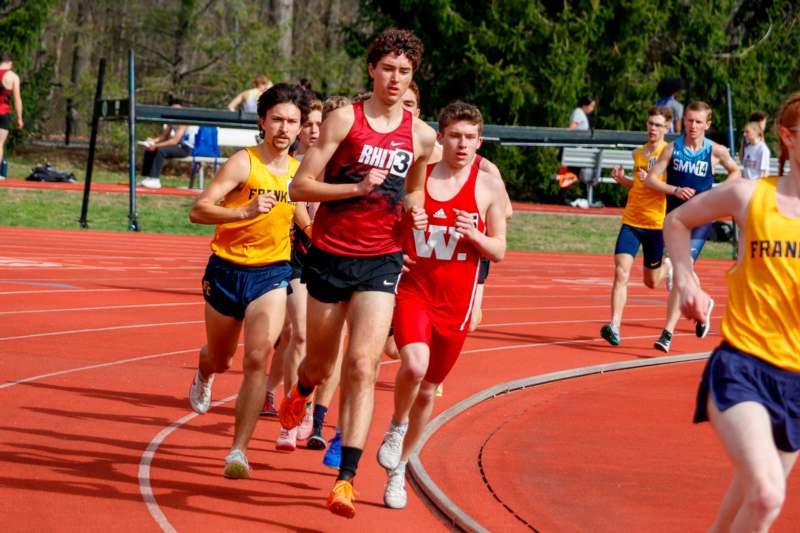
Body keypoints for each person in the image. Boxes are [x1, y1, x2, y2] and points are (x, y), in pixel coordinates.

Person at [278, 28, 435, 518]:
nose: (394, 78)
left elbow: (414, 190)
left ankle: (346, 479)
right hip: (331, 253)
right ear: (372, 69)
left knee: (364, 365)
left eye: (404, 71)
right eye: (387, 68)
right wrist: (355, 189)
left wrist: (416, 211)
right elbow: (301, 185)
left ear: (413, 76)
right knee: (320, 365)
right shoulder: (346, 119)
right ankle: (301, 393)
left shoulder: (421, 135)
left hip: (382, 259)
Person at [666, 91, 800, 533]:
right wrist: (685, 278)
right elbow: (677, 221)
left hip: (795, 380)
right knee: (766, 495)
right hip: (743, 363)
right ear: (788, 137)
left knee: (747, 499)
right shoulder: (748, 196)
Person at [376, 101, 508, 509]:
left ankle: (400, 469)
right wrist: (405, 231)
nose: (462, 144)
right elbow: (392, 231)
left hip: (457, 304)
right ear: (442, 137)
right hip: (415, 291)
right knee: (413, 364)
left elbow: (499, 250)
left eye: (470, 137)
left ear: (479, 141)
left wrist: (475, 236)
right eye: (455, 136)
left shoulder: (488, 187)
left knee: (430, 388)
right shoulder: (420, 178)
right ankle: (397, 426)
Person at [186, 83, 309, 479]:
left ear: (301, 126)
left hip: (271, 274)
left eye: (292, 121)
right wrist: (244, 212)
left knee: (258, 358)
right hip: (226, 270)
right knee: (222, 359)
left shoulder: (299, 174)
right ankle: (205, 371)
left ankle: (238, 451)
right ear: (263, 121)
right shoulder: (244, 162)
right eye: (277, 119)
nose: (284, 128)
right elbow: (199, 210)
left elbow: (308, 225)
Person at [644, 101, 742, 352]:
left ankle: (666, 333)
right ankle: (703, 305)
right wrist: (674, 189)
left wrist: (717, 193)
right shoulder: (672, 149)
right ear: (683, 121)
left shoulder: (715, 151)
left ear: (707, 124)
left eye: (699, 122)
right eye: (689, 120)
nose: (693, 126)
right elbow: (652, 180)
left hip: (699, 221)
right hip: (674, 219)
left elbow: (735, 172)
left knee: (679, 270)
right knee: (681, 275)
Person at [273, 97, 323, 451]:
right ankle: (293, 414)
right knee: (300, 335)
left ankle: (314, 411)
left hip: (336, 262)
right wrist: (315, 233)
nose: (316, 131)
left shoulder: (343, 165)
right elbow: (294, 210)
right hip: (299, 259)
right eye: (309, 125)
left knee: (325, 345)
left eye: (322, 125)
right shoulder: (290, 167)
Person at [600, 106, 673, 346]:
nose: (652, 128)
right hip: (631, 220)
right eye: (650, 123)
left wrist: (652, 182)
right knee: (621, 272)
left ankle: (669, 268)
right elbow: (638, 186)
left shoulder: (669, 155)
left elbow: (667, 190)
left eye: (657, 125)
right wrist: (624, 181)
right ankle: (615, 326)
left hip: (655, 224)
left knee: (651, 282)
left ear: (667, 128)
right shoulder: (638, 153)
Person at [139, 99, 198, 190]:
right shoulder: (172, 120)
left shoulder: (184, 121)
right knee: (150, 149)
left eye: (178, 109)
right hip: (178, 146)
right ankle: (148, 177)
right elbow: (164, 137)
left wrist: (156, 146)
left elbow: (174, 141)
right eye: (173, 109)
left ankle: (155, 179)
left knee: (160, 150)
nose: (176, 111)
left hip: (187, 148)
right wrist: (152, 141)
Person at [0, 53, 23, 179]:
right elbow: (17, 99)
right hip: (3, 113)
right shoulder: (13, 77)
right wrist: (19, 118)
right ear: (10, 63)